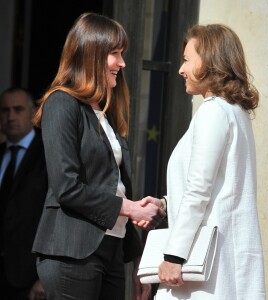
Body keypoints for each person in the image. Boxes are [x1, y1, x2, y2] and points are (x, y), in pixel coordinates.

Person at [31, 12, 165, 300]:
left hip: (112, 250)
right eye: (114, 54)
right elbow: (66, 187)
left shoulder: (105, 112)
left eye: (122, 54)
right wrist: (131, 208)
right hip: (72, 252)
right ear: (91, 54)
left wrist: (137, 258)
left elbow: (116, 188)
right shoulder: (62, 102)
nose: (122, 63)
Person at [139, 24, 266, 299]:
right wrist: (165, 204)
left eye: (187, 59)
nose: (180, 70)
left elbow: (199, 189)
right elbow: (220, 186)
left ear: (209, 62)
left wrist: (173, 256)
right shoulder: (235, 112)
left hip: (205, 269)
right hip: (225, 262)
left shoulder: (213, 112)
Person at [0, 87, 47, 300]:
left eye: (18, 109)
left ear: (32, 113)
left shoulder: (47, 154)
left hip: (28, 278)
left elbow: (54, 216)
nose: (10, 116)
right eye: (5, 110)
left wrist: (44, 275)